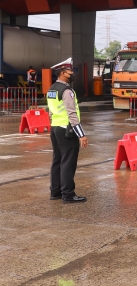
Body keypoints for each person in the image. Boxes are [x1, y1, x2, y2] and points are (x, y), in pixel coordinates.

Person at [47, 58, 88, 203]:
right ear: (63, 73)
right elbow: (72, 113)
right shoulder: (66, 91)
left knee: (57, 160)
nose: (72, 73)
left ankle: (55, 191)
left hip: (55, 128)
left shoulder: (51, 89)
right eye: (70, 71)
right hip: (67, 129)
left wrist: (53, 126)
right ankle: (68, 194)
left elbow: (51, 112)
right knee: (68, 162)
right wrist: (81, 134)